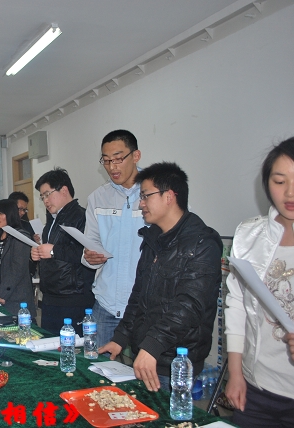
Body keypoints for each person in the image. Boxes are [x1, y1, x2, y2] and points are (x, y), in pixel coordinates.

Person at [98, 162, 222, 392]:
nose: (141, 203)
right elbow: (139, 296)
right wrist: (120, 338)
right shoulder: (153, 237)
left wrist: (153, 346)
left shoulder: (202, 243)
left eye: (146, 196)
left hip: (176, 362)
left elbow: (189, 306)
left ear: (169, 196)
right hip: (147, 354)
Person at [224, 137, 294, 427]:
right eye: (279, 181)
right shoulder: (250, 235)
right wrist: (236, 373)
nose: (289, 192)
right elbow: (237, 304)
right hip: (257, 388)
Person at [82, 130, 145, 348]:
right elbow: (90, 242)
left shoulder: (155, 193)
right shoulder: (98, 198)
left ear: (136, 156)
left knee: (145, 368)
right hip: (106, 305)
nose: (112, 167)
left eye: (118, 159)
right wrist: (90, 257)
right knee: (98, 366)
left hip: (145, 307)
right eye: (106, 161)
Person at [30, 168, 95, 335]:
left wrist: (53, 251)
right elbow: (54, 251)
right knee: (50, 346)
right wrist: (38, 253)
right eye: (42, 197)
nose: (45, 200)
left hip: (73, 298)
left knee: (71, 347)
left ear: (64, 190)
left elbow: (88, 254)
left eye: (47, 194)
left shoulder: (82, 217)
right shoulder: (52, 220)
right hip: (51, 296)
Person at [0, 199, 35, 318]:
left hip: (16, 298)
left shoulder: (21, 236)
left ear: (10, 214)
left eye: (1, 213)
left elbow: (18, 269)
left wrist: (2, 294)